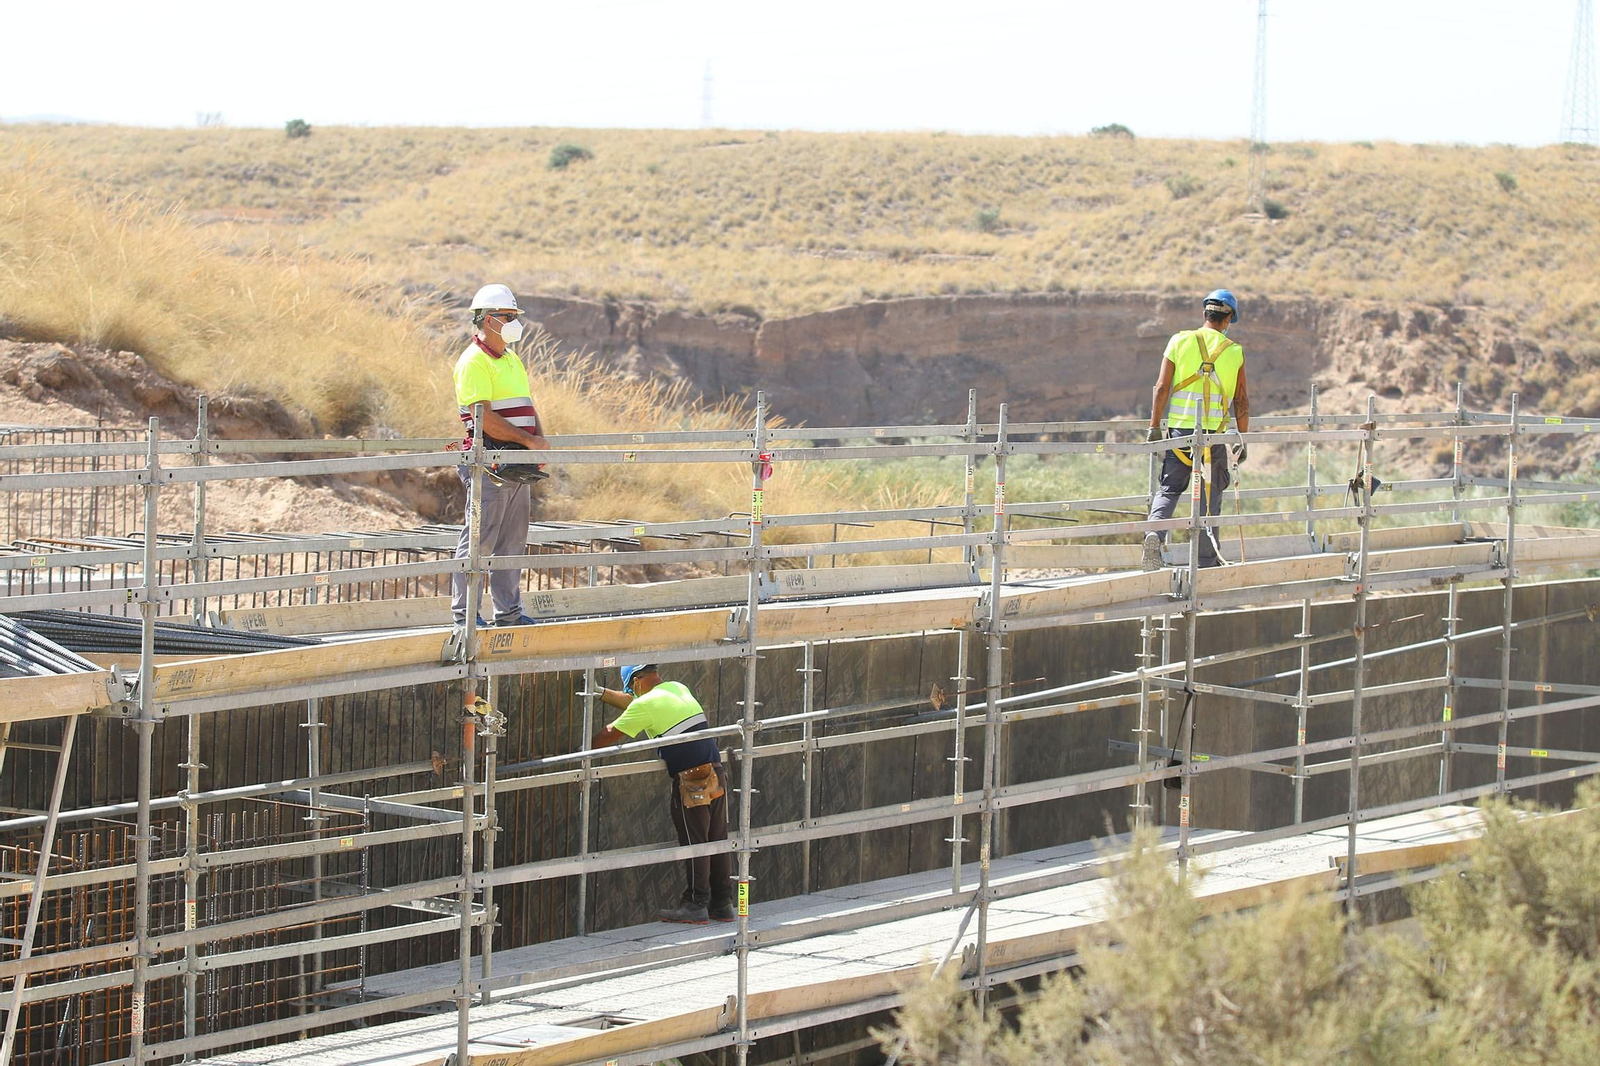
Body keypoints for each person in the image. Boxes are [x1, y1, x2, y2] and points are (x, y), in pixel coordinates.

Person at [589, 664, 735, 924]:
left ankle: (696, 904)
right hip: (715, 772)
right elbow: (637, 705)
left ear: (636, 682)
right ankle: (723, 904)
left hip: (692, 780)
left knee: (695, 843)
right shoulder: (677, 688)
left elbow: (609, 734)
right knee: (717, 840)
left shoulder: (644, 706)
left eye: (630, 690)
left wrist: (581, 749)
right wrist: (601, 693)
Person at [450, 283, 550, 627]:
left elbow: (525, 403)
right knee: (478, 542)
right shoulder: (473, 361)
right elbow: (484, 419)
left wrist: (538, 440)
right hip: (490, 463)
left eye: (514, 316)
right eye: (507, 316)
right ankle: (466, 617)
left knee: (511, 543)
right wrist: (529, 440)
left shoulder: (510, 358)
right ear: (488, 320)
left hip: (516, 463)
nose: (513, 322)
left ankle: (509, 614)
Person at [1141, 289, 1250, 570]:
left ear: (1205, 314)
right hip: (1213, 437)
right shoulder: (1234, 352)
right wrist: (1242, 439)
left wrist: (1154, 426)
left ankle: (1154, 534)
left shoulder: (1179, 340)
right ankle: (1205, 560)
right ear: (1228, 321)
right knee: (1210, 496)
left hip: (1180, 434)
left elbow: (1162, 387)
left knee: (1170, 487)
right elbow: (1241, 400)